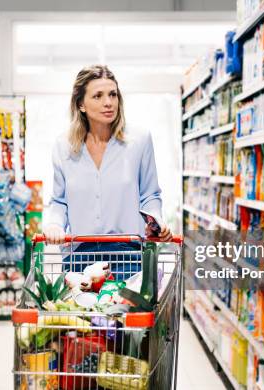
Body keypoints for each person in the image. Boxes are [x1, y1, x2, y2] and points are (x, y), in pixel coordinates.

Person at [43, 65, 172, 279]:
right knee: (82, 312)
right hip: (80, 256)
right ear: (81, 104)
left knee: (124, 312)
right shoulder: (63, 146)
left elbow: (150, 195)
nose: (108, 102)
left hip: (128, 256)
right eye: (98, 96)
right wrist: (55, 225)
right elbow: (59, 201)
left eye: (113, 94)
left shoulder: (139, 140)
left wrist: (156, 220)